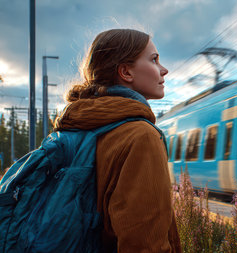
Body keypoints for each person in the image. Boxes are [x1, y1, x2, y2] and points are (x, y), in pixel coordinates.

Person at [54, 29, 181, 252]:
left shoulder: (79, 126)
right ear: (125, 72)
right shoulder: (141, 137)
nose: (164, 70)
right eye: (154, 59)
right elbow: (144, 245)